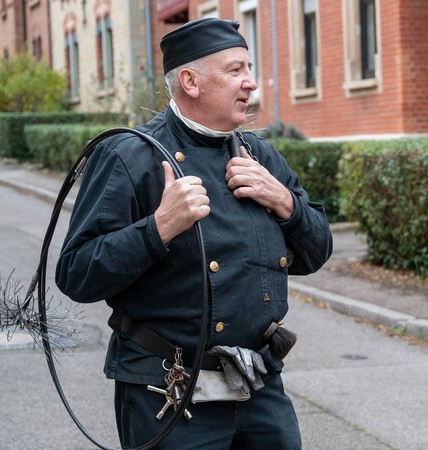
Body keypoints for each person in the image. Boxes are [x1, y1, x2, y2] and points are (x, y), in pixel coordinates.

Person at [56, 18, 332, 449]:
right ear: (190, 81)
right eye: (235, 70)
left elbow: (317, 252)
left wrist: (286, 203)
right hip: (168, 393)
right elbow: (76, 273)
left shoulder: (260, 156)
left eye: (250, 68)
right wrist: (158, 228)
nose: (251, 83)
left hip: (257, 386)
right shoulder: (129, 156)